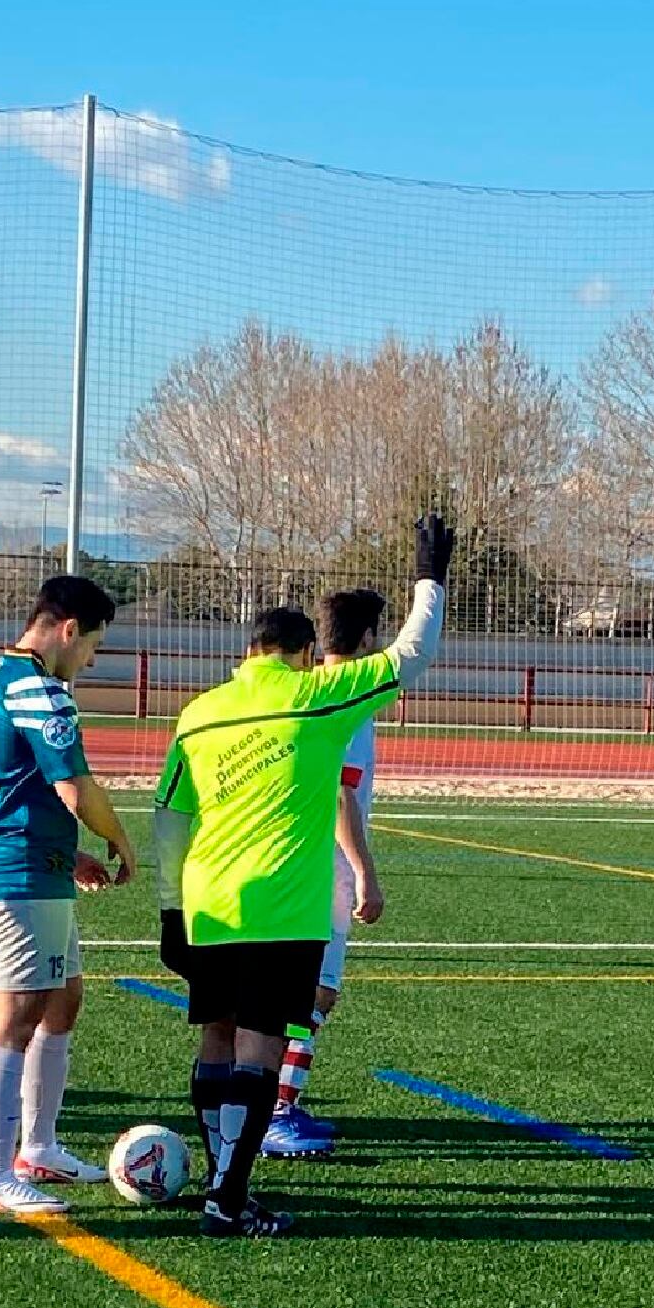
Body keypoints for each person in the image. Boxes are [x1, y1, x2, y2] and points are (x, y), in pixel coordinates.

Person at [153, 513, 453, 1236]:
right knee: (259, 1046)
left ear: (246, 651)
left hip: (206, 901)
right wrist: (430, 580)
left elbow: (169, 818)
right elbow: (412, 655)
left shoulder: (199, 712)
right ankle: (228, 1197)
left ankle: (224, 1181)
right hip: (281, 903)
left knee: (215, 1040)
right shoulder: (315, 698)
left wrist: (169, 908)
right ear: (303, 654)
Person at [0, 573, 138, 1216]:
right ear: (68, 630)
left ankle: (37, 1147)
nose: (90, 660)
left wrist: (71, 852)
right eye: (92, 645)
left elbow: (16, 784)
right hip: (18, 871)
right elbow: (75, 787)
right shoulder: (41, 689)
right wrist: (119, 837)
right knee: (15, 1015)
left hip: (40, 862)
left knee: (64, 1001)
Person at [266, 566, 446, 1158]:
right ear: (367, 637)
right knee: (313, 991)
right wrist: (430, 582)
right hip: (322, 863)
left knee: (299, 990)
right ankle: (274, 1113)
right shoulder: (350, 690)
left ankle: (270, 1105)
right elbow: (337, 791)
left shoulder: (302, 688)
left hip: (283, 855)